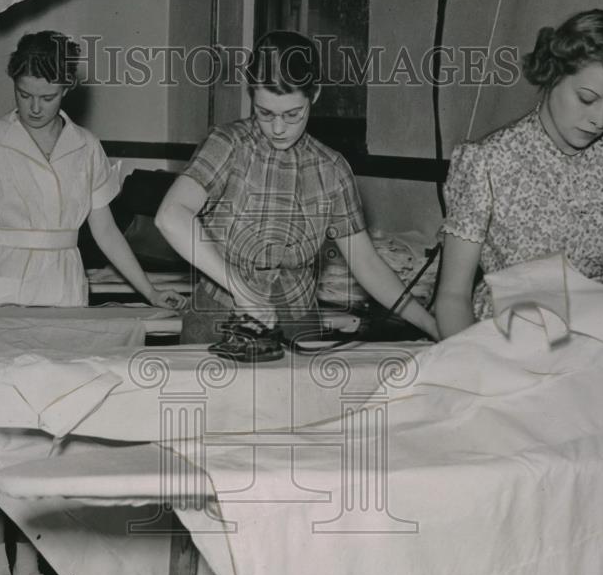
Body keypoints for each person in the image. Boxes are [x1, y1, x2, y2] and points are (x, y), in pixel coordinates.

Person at [0, 30, 184, 575]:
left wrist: (151, 291)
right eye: (25, 93)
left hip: (64, 285)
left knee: (53, 430)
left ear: (68, 87)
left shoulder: (86, 147)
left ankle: (32, 560)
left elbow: (105, 231)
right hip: (1, 284)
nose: (34, 107)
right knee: (0, 430)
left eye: (47, 94)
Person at [156, 29, 438, 360]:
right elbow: (171, 215)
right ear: (251, 95)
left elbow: (366, 263)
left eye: (292, 114)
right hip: (217, 320)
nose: (278, 128)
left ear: (314, 95)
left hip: (298, 327)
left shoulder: (331, 169)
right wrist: (240, 288)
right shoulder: (228, 146)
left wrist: (432, 326)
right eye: (265, 113)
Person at [434, 9, 603, 339]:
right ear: (553, 74)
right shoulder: (487, 161)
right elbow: (453, 297)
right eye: (587, 99)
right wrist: (475, 369)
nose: (599, 119)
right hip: (513, 339)